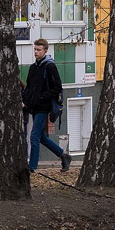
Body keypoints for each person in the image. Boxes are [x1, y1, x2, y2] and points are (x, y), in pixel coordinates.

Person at [22, 38, 72, 172]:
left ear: (45, 51)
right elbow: (29, 88)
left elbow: (57, 87)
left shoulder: (50, 66)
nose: (36, 52)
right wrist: (25, 101)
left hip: (44, 107)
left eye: (39, 50)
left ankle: (32, 167)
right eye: (35, 49)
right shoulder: (33, 67)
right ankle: (64, 155)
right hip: (34, 107)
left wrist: (42, 96)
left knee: (34, 136)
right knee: (42, 137)